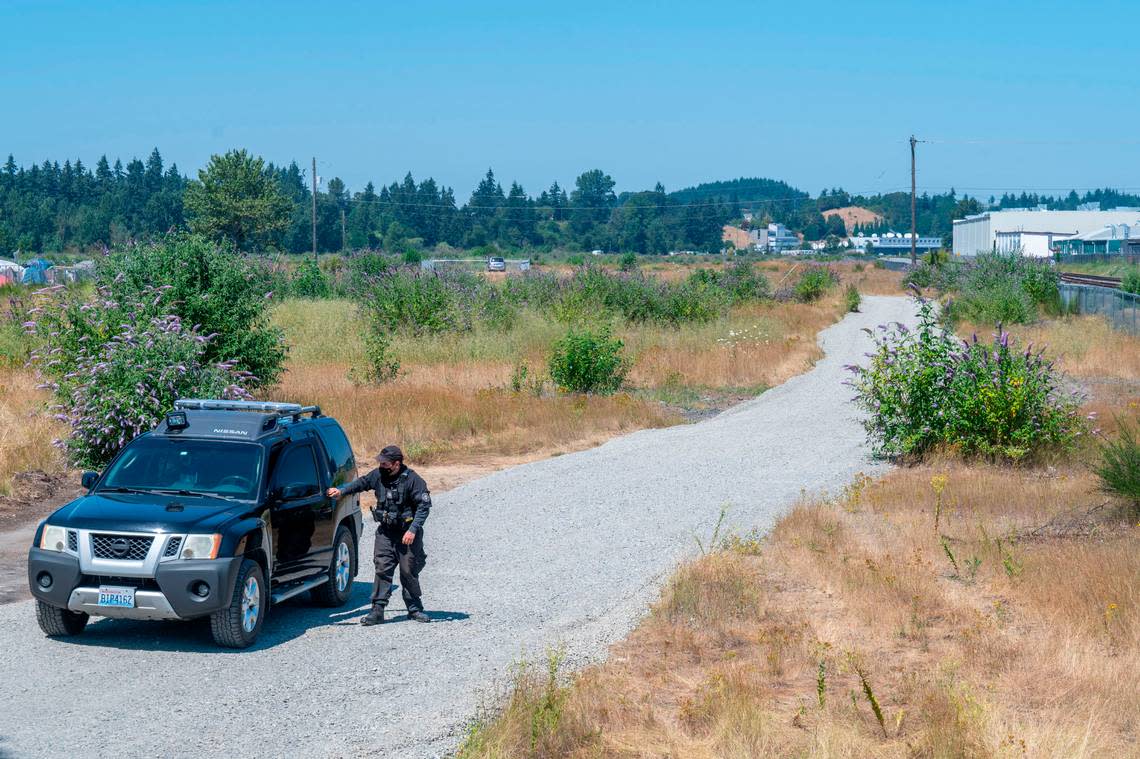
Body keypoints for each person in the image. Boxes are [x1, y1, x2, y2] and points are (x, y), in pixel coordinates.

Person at [326, 445, 431, 626]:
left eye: (385, 463)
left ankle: (415, 608)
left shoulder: (413, 480)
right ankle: (377, 611)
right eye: (380, 462)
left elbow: (423, 508)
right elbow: (361, 483)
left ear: (396, 464)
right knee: (382, 568)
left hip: (406, 533)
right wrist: (341, 492)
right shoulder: (378, 475)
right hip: (386, 533)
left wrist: (413, 530)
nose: (381, 466)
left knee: (408, 571)